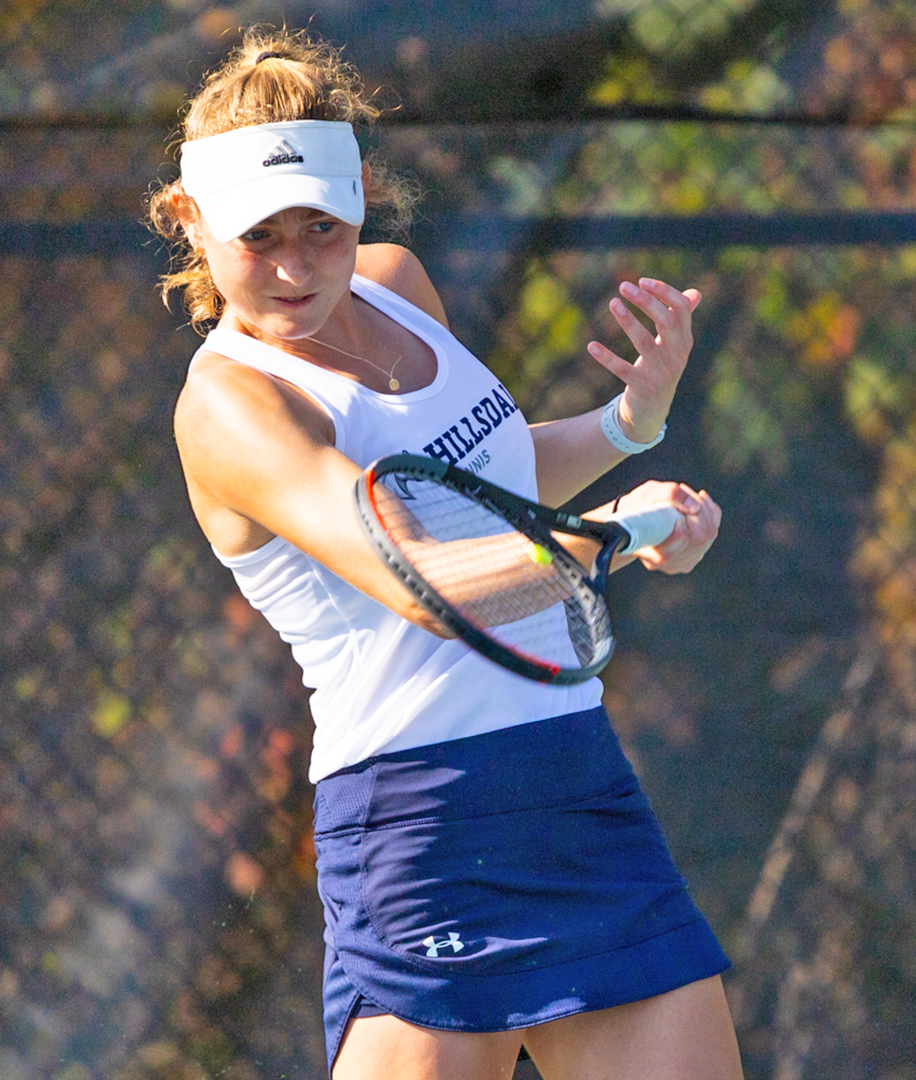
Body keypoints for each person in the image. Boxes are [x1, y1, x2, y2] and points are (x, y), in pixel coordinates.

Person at [149, 27, 741, 1080]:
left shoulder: (394, 283)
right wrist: (622, 534)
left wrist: (625, 429)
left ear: (362, 196)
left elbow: (491, 500)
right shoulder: (232, 405)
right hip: (420, 824)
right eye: (259, 236)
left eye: (320, 228)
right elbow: (425, 578)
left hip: (574, 781)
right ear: (188, 220)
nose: (295, 266)